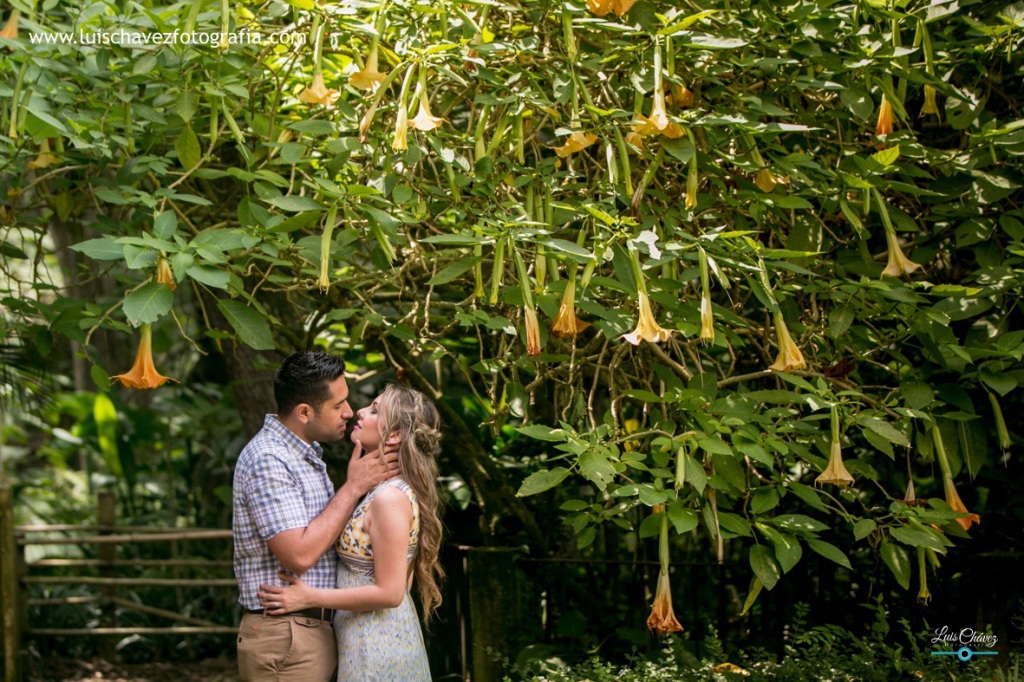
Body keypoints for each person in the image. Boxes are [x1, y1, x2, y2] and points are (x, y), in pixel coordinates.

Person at [258, 384, 444, 682]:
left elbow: (393, 592)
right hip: (364, 639)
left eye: (374, 410)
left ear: (394, 435)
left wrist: (308, 596)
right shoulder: (381, 493)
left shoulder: (389, 499)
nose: (359, 411)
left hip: (378, 646)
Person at [233, 350, 400, 682]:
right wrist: (353, 487)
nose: (349, 413)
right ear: (304, 411)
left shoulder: (303, 455)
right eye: (338, 405)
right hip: (287, 636)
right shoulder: (270, 459)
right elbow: (299, 554)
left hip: (306, 632)